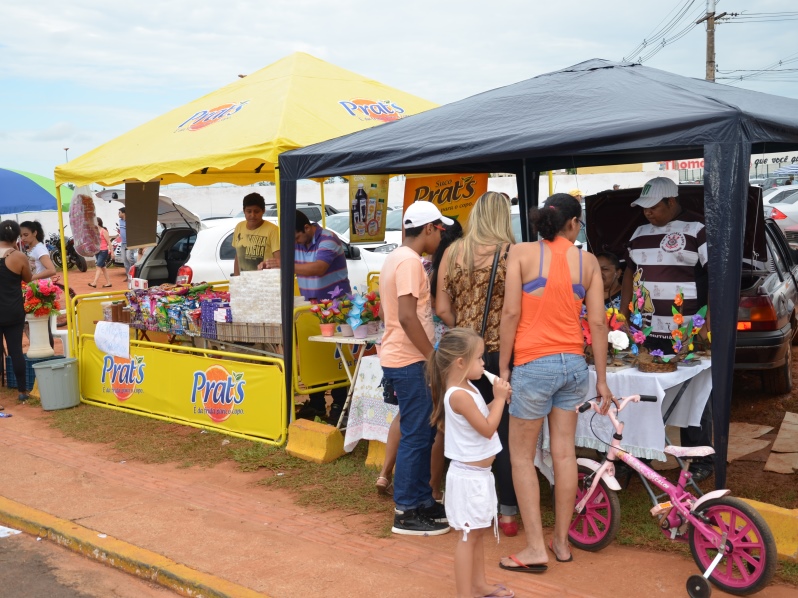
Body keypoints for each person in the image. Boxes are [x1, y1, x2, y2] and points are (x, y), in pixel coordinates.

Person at [499, 193, 612, 570]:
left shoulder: (520, 253)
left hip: (533, 364)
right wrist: (602, 379)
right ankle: (561, 542)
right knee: (564, 454)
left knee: (521, 457)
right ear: (573, 223)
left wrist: (503, 366)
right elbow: (597, 323)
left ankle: (534, 548)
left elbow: (511, 311)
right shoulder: (589, 262)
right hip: (574, 366)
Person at [435, 191, 520, 537]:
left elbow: (442, 308)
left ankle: (456, 500)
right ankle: (509, 512)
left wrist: (465, 332)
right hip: (501, 351)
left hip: (463, 353)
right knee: (503, 434)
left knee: (462, 428)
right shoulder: (511, 253)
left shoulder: (453, 252)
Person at [620, 176, 713, 481]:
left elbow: (716, 276)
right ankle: (639, 453)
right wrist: (623, 314)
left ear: (671, 202)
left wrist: (708, 323)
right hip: (646, 331)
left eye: (653, 207)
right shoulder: (638, 232)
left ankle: (699, 458)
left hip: (686, 330)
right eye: (643, 207)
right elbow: (629, 274)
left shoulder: (698, 230)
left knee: (694, 392)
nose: (647, 213)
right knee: (641, 394)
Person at [376, 219, 463, 499]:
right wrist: (431, 357)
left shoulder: (395, 257)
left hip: (402, 356)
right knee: (417, 436)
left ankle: (419, 502)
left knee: (418, 432)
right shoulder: (411, 262)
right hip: (409, 359)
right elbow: (406, 315)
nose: (441, 237)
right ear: (428, 228)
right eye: (439, 231)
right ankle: (408, 506)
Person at [429, 328, 514, 598]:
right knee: (468, 537)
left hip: (478, 476)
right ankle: (466, 593)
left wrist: (496, 401)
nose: (483, 364)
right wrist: (499, 399)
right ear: (460, 363)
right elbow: (488, 428)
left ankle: (479, 585)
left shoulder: (469, 389)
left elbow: (482, 418)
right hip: (468, 479)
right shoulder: (459, 395)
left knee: (477, 534)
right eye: (479, 359)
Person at [292, 210, 351, 423]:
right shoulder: (296, 240)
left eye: (297, 237)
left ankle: (339, 404)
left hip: (336, 309)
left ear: (307, 228)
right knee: (313, 357)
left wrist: (286, 265)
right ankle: (316, 404)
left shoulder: (329, 239)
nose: (296, 243)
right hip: (310, 310)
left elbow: (319, 268)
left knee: (336, 358)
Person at [0, 220, 33, 402]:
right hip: (13, 310)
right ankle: (22, 391)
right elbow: (28, 279)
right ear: (16, 237)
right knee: (16, 350)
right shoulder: (18, 256)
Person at [232, 192, 280, 274]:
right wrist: (237, 278)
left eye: (256, 211)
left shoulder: (273, 230)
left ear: (263, 211)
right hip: (244, 282)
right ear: (244, 211)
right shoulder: (239, 227)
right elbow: (238, 257)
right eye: (249, 211)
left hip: (266, 282)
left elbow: (279, 261)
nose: (252, 215)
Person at [89, 218, 113, 289]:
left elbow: (109, 242)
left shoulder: (103, 231)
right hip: (97, 251)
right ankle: (109, 283)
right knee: (103, 268)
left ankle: (94, 283)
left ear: (98, 222)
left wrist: (112, 252)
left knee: (98, 266)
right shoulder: (95, 231)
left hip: (103, 251)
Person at [118, 208, 136, 280]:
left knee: (130, 258)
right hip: (123, 243)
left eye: (119, 212)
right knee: (125, 261)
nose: (118, 214)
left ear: (124, 213)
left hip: (130, 243)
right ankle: (129, 276)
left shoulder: (130, 221)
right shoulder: (120, 221)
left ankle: (136, 271)